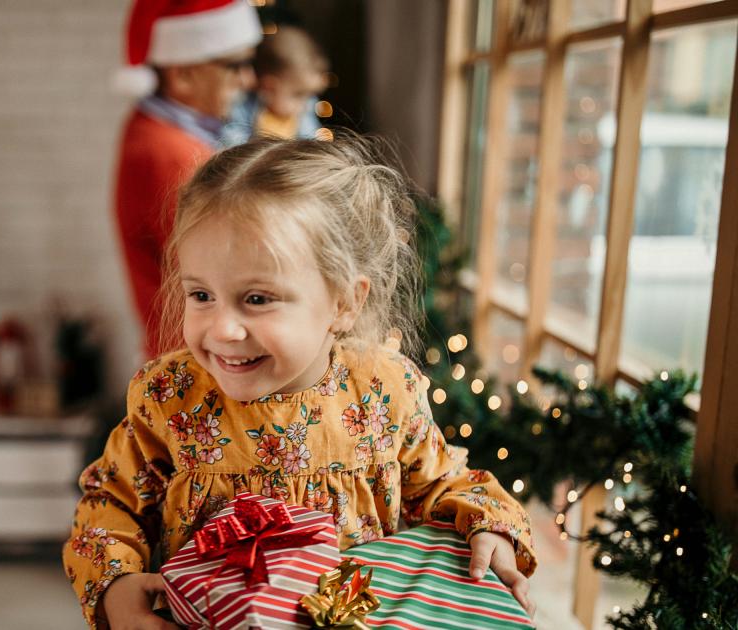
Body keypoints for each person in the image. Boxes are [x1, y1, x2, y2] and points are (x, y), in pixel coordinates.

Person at [65, 137, 538, 629]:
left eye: (257, 299)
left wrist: (490, 528)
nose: (223, 328)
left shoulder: (385, 389)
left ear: (343, 303)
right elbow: (109, 505)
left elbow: (445, 485)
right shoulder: (169, 396)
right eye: (201, 294)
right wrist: (117, 589)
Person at [114, 0, 262, 358]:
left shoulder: (158, 134)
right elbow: (235, 265)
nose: (248, 80)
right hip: (201, 365)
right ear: (182, 75)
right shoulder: (175, 155)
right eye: (235, 65)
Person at [221, 24, 329, 147]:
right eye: (298, 95)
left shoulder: (304, 110)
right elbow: (232, 145)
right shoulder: (242, 108)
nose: (305, 105)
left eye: (310, 95)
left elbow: (311, 143)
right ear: (269, 87)